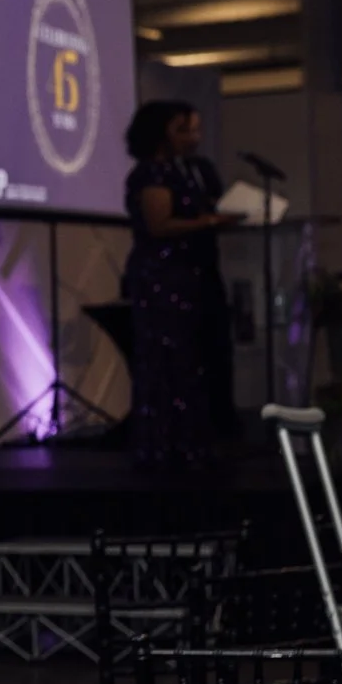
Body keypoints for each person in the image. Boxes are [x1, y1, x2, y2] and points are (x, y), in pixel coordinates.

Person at [121, 100, 243, 470]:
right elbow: (159, 226)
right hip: (164, 278)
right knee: (171, 361)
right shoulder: (151, 173)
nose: (193, 138)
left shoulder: (193, 171)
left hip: (197, 275)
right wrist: (208, 222)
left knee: (202, 358)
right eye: (183, 130)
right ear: (160, 133)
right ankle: (167, 445)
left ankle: (200, 440)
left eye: (195, 130)